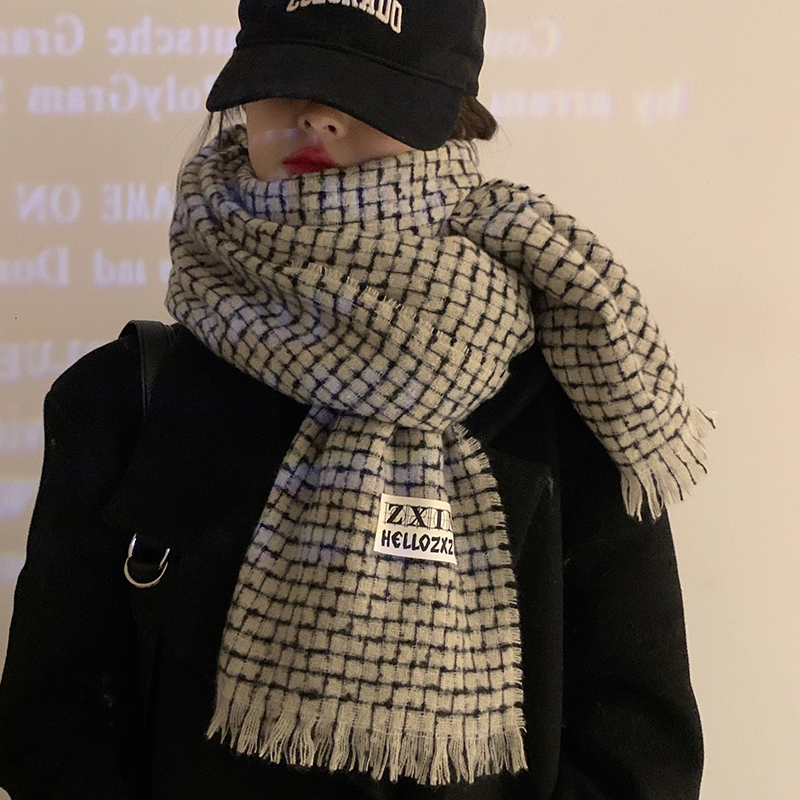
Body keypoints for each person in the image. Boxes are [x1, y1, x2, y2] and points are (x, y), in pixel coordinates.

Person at [0, 0, 713, 798]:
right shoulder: (120, 402)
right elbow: (54, 732)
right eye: (284, 79)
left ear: (452, 114)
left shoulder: (576, 395)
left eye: (368, 90)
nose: (317, 116)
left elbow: (637, 752)